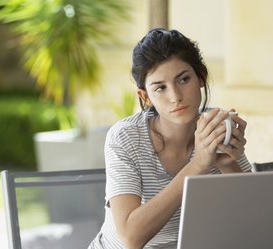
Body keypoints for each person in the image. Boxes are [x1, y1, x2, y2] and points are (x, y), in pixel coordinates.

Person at [88, 28, 251, 249]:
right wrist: (198, 164)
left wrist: (229, 164)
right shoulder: (126, 137)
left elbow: (253, 222)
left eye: (183, 79)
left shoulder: (217, 128)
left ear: (201, 77)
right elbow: (130, 238)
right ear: (145, 97)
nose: (175, 97)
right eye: (160, 88)